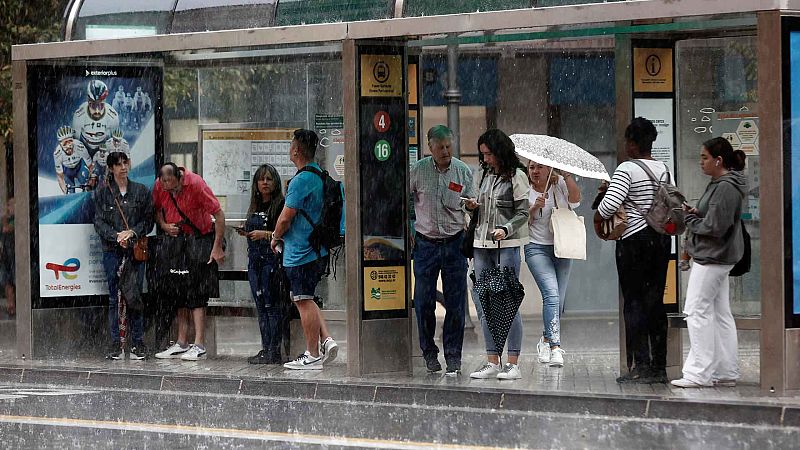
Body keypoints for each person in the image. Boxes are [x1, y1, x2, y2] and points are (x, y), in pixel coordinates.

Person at [597, 117, 672, 384]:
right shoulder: (663, 168)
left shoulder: (626, 169)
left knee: (634, 303)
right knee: (655, 301)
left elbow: (607, 209)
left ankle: (640, 365)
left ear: (632, 142)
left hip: (634, 241)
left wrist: (606, 195)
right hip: (661, 239)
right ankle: (659, 367)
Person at [671, 137, 747, 388]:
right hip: (719, 255)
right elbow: (715, 218)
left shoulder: (724, 187)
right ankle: (726, 371)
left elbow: (715, 226)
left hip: (712, 256)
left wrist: (690, 220)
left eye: (704, 158)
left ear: (719, 160)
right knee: (719, 313)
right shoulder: (722, 184)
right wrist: (697, 213)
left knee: (696, 311)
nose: (700, 163)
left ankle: (698, 373)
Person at [270, 129, 338, 370]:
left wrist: (275, 236)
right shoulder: (319, 174)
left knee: (303, 300)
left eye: (291, 144)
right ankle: (326, 339)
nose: (290, 148)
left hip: (301, 252)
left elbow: (285, 218)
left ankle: (312, 355)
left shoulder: (301, 180)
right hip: (317, 249)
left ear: (297, 149)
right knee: (307, 297)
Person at [410, 125, 475, 376]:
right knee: (423, 301)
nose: (446, 151)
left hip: (454, 243)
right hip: (425, 244)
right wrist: (409, 228)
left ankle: (453, 356)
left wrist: (471, 206)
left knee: (456, 303)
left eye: (449, 146)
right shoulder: (418, 170)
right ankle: (429, 352)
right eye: (440, 148)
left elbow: (472, 205)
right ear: (430, 148)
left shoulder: (462, 171)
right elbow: (406, 200)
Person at [466, 129, 530, 380]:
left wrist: (506, 228)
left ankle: (513, 361)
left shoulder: (517, 176)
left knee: (507, 302)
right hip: (481, 244)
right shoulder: (484, 175)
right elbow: (478, 206)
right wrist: (470, 205)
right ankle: (492, 359)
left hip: (507, 244)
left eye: (489, 154)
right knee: (485, 303)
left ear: (500, 151)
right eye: (482, 154)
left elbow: (523, 213)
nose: (486, 159)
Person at [153, 162, 226, 361]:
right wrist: (165, 226)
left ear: (180, 178)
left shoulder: (196, 184)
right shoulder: (160, 185)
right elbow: (157, 209)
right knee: (179, 290)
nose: (172, 192)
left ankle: (200, 343)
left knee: (196, 292)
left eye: (175, 188)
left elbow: (219, 215)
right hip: (177, 241)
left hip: (199, 238)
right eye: (166, 187)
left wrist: (217, 246)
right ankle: (181, 341)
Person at [93, 152, 153, 360]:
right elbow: (99, 222)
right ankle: (116, 344)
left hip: (135, 251)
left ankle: (137, 343)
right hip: (112, 251)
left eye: (125, 163)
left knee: (135, 295)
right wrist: (116, 236)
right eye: (118, 165)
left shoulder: (141, 191)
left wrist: (133, 232)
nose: (123, 167)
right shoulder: (103, 193)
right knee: (113, 298)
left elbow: (148, 221)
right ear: (110, 168)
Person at [524, 160, 581, 369]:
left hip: (562, 247)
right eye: (531, 168)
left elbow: (576, 201)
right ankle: (556, 347)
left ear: (549, 168)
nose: (535, 171)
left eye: (540, 167)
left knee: (559, 300)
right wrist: (533, 208)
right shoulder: (525, 190)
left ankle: (546, 340)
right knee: (551, 294)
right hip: (536, 248)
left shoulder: (559, 185)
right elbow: (520, 223)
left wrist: (567, 175)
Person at [237, 164, 286, 364]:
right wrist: (245, 230)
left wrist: (265, 235)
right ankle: (266, 348)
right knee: (261, 307)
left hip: (272, 263)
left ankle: (274, 350)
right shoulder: (254, 206)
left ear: (275, 182)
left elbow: (284, 233)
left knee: (272, 306)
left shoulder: (281, 204)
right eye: (261, 179)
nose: (265, 183)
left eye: (269, 179)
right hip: (255, 263)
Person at [72, 80, 120, 158]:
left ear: (105, 101)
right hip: (85, 147)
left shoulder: (113, 116)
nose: (97, 111)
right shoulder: (79, 115)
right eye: (93, 105)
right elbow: (75, 142)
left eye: (101, 105)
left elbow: (114, 142)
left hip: (103, 147)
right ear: (88, 101)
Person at [54, 126, 94, 194]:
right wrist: (64, 190)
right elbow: (60, 176)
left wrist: (91, 179)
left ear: (73, 139)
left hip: (79, 167)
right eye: (65, 143)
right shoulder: (57, 153)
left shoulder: (79, 146)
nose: (68, 145)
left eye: (70, 141)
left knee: (86, 185)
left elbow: (90, 165)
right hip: (67, 171)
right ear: (60, 144)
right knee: (69, 192)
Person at [0, 197, 15, 316]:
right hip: (6, 255)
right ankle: (11, 305)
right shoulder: (5, 219)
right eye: (9, 205)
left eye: (13, 204)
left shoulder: (17, 219)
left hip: (17, 255)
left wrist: (5, 220)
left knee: (15, 280)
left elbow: (7, 229)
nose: (11, 207)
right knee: (7, 281)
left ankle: (15, 305)